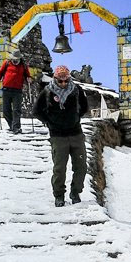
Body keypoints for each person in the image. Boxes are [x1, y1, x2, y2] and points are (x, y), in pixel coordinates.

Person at [32, 65, 89, 207]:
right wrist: (49, 123)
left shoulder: (77, 91)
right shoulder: (47, 92)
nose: (63, 83)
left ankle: (75, 192)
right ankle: (59, 196)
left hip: (76, 133)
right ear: (55, 79)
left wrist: (75, 118)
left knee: (81, 167)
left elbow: (84, 107)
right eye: (60, 81)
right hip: (57, 136)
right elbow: (37, 111)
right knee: (59, 168)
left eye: (66, 80)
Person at [0, 50, 30, 134]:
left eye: (17, 59)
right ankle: (12, 126)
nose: (15, 61)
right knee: (6, 110)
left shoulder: (24, 65)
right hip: (6, 89)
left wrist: (29, 78)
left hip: (17, 91)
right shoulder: (7, 63)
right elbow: (0, 72)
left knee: (16, 110)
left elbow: (27, 75)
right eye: (14, 59)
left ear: (20, 59)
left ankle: (16, 127)